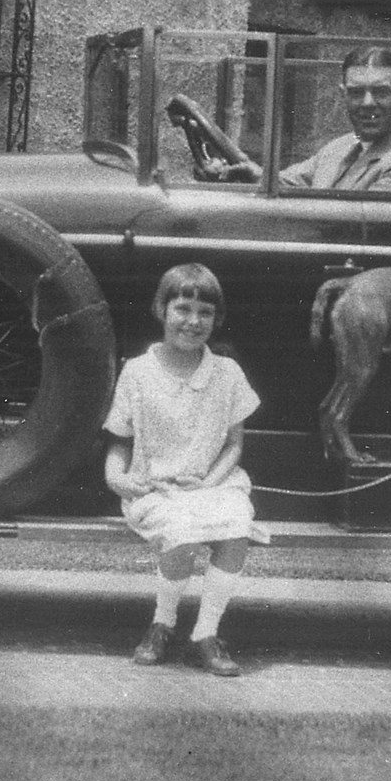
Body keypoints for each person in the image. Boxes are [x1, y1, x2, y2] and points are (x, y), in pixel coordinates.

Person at [103, 263, 265, 676]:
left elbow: (234, 444)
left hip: (214, 483)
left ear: (217, 319)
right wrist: (119, 480)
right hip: (156, 487)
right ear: (161, 309)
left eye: (205, 313)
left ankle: (206, 633)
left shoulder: (227, 373)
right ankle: (163, 622)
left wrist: (208, 483)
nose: (193, 322)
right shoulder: (138, 372)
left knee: (236, 526)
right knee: (180, 529)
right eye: (182, 309)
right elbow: (119, 444)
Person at [206, 46, 391, 192]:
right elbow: (289, 184)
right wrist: (250, 174)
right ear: (343, 95)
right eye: (356, 92)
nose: (367, 103)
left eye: (380, 92)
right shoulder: (341, 147)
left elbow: (345, 228)